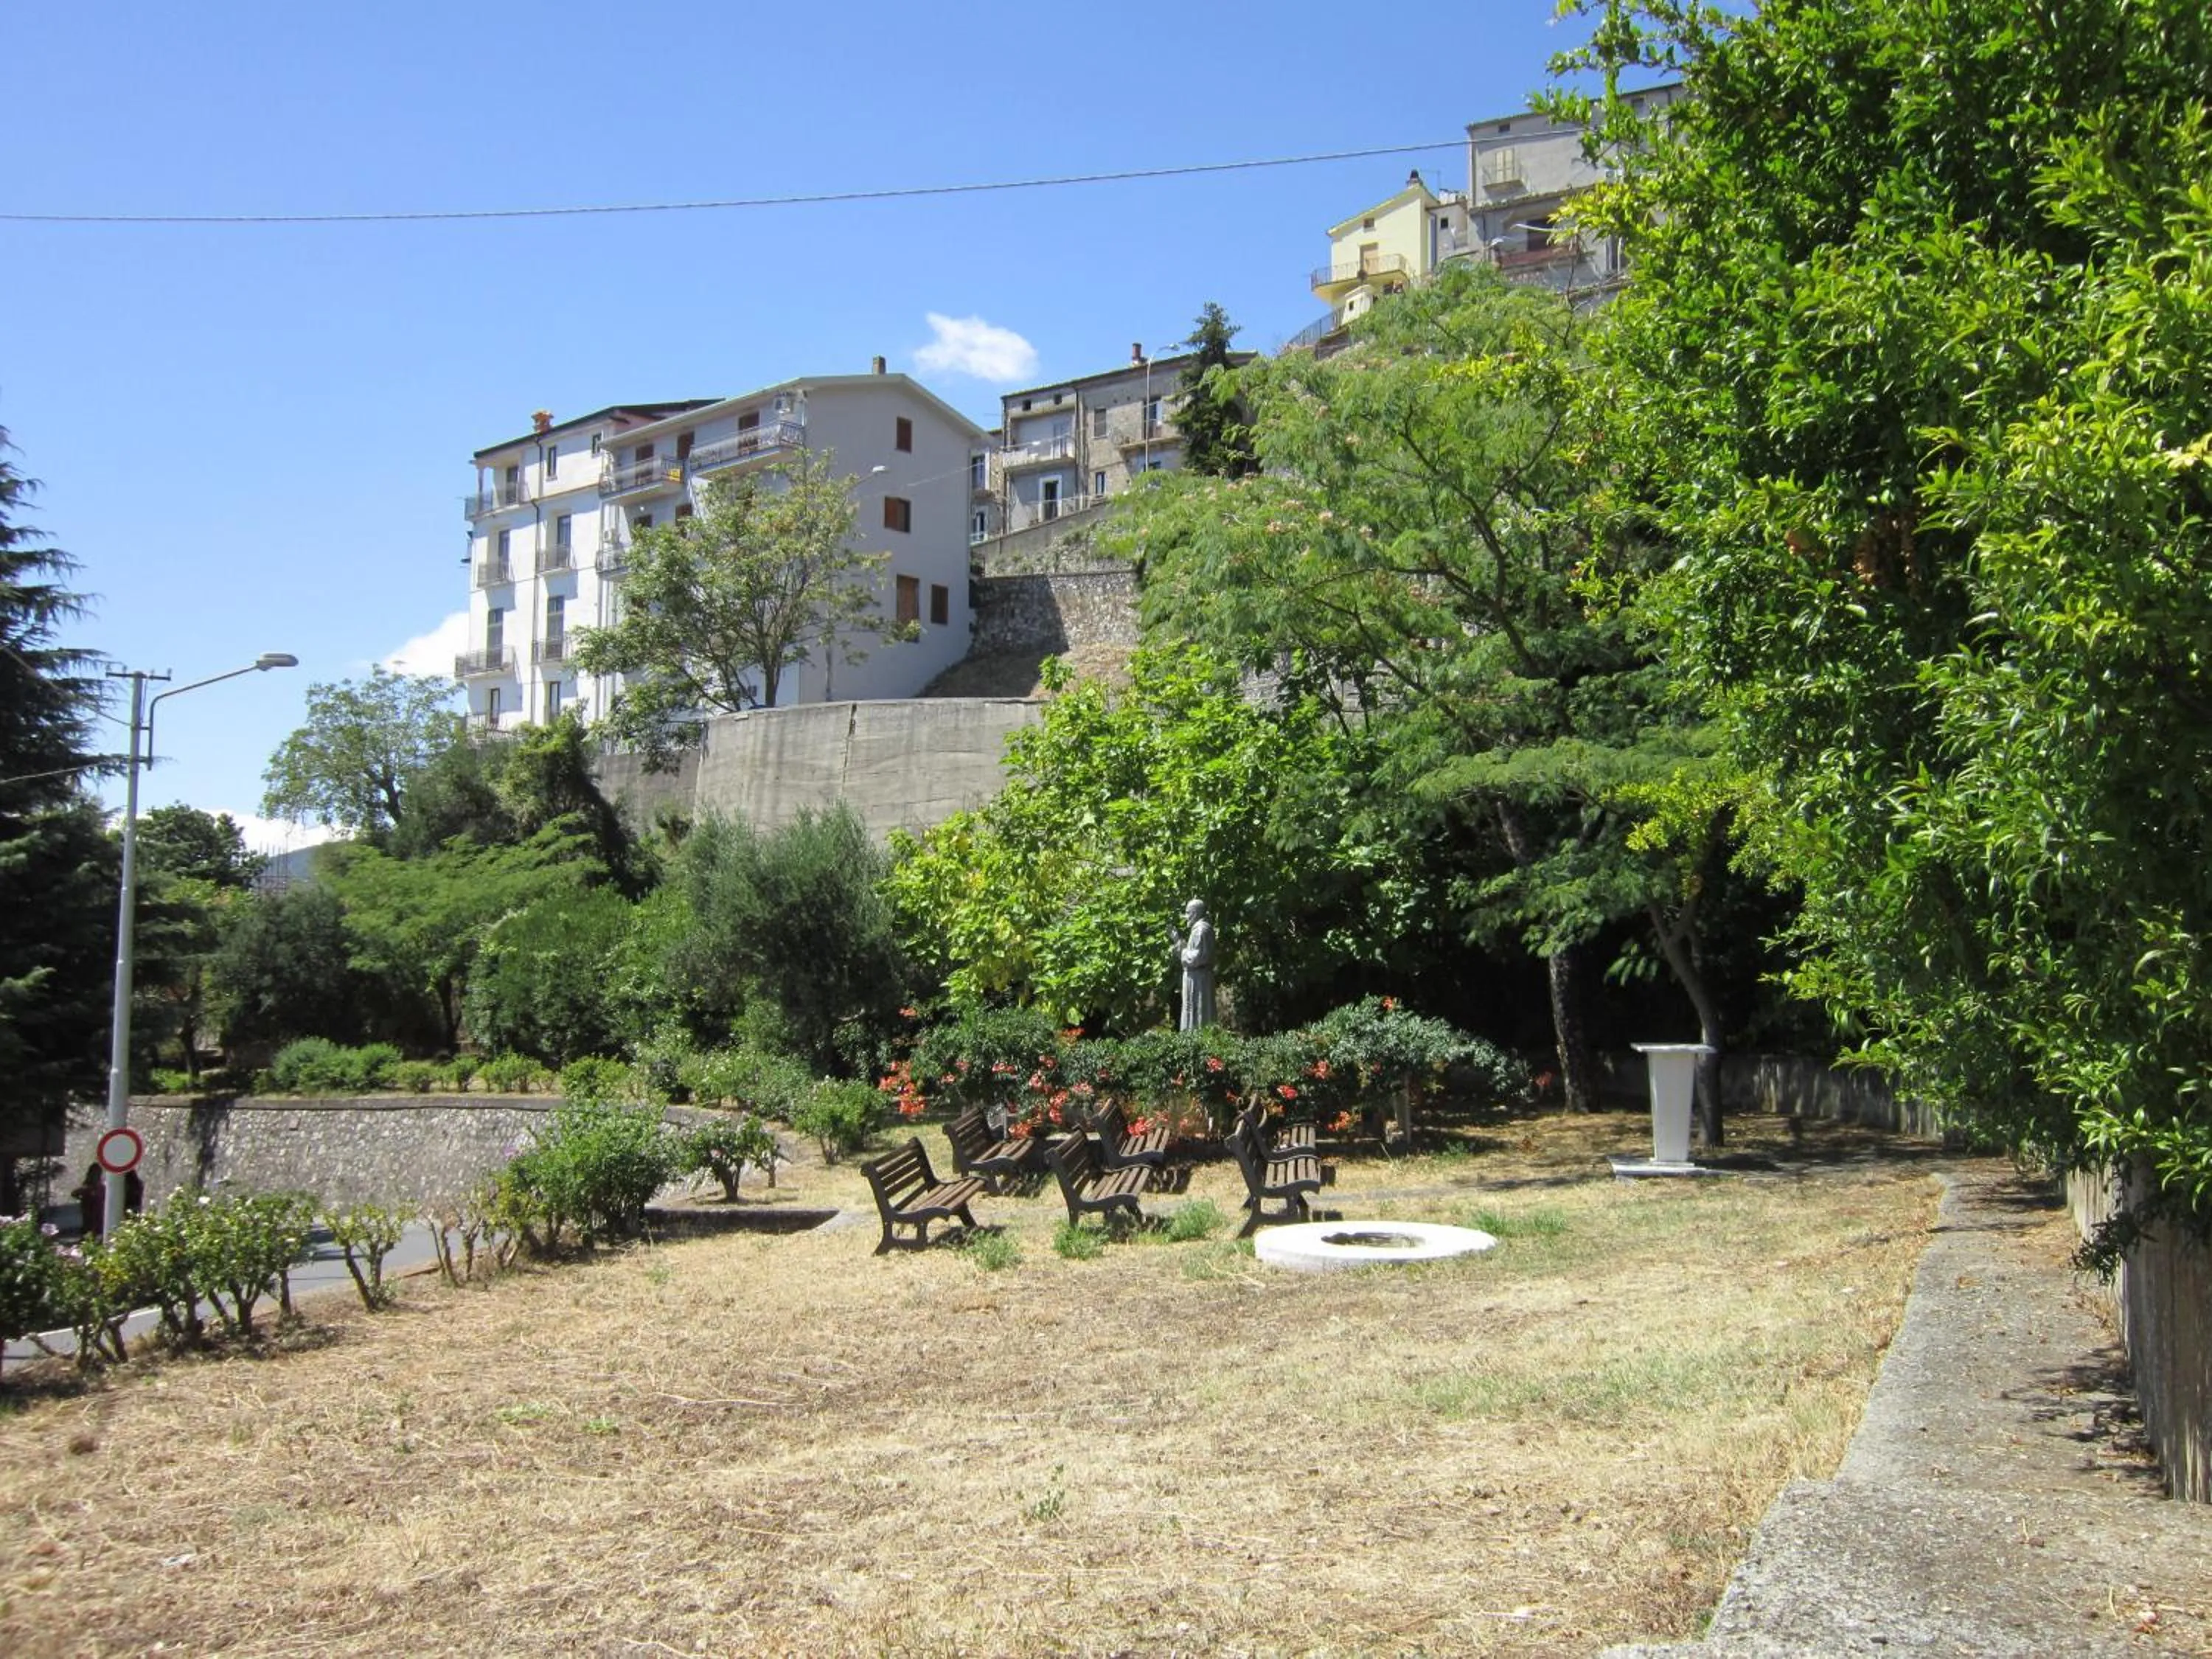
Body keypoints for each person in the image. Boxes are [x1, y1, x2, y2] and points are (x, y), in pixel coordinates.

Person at [1172, 899, 1217, 1032]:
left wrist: (1182, 951)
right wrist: (1177, 941)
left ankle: (1197, 1042)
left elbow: (1196, 958)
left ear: (1195, 913)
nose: (1186, 917)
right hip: (1196, 976)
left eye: (1188, 913)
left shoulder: (1201, 931)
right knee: (1194, 1009)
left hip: (1198, 978)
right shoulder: (1199, 930)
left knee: (1198, 1012)